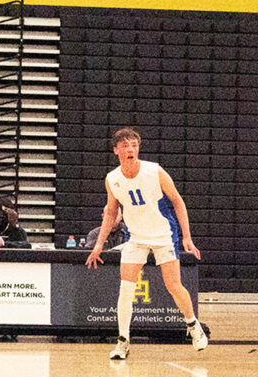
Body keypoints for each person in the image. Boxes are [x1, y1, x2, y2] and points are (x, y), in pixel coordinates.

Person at [85, 127, 208, 360]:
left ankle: (193, 325)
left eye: (134, 145)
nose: (131, 149)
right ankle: (123, 341)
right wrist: (99, 245)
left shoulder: (154, 171)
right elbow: (111, 213)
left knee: (173, 285)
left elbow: (178, 202)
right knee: (125, 289)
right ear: (116, 151)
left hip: (163, 234)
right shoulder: (112, 179)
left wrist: (187, 237)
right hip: (136, 237)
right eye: (125, 146)